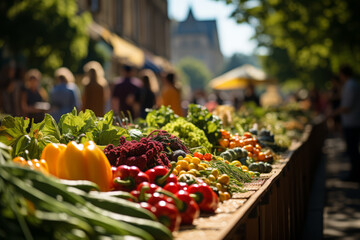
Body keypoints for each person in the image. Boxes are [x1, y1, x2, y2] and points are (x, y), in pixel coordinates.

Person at [332, 65, 360, 181]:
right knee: (353, 149)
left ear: (342, 74)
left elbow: (346, 107)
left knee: (353, 150)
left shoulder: (350, 86)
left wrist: (334, 113)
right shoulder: (353, 84)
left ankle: (355, 175)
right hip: (353, 121)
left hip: (351, 122)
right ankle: (355, 173)